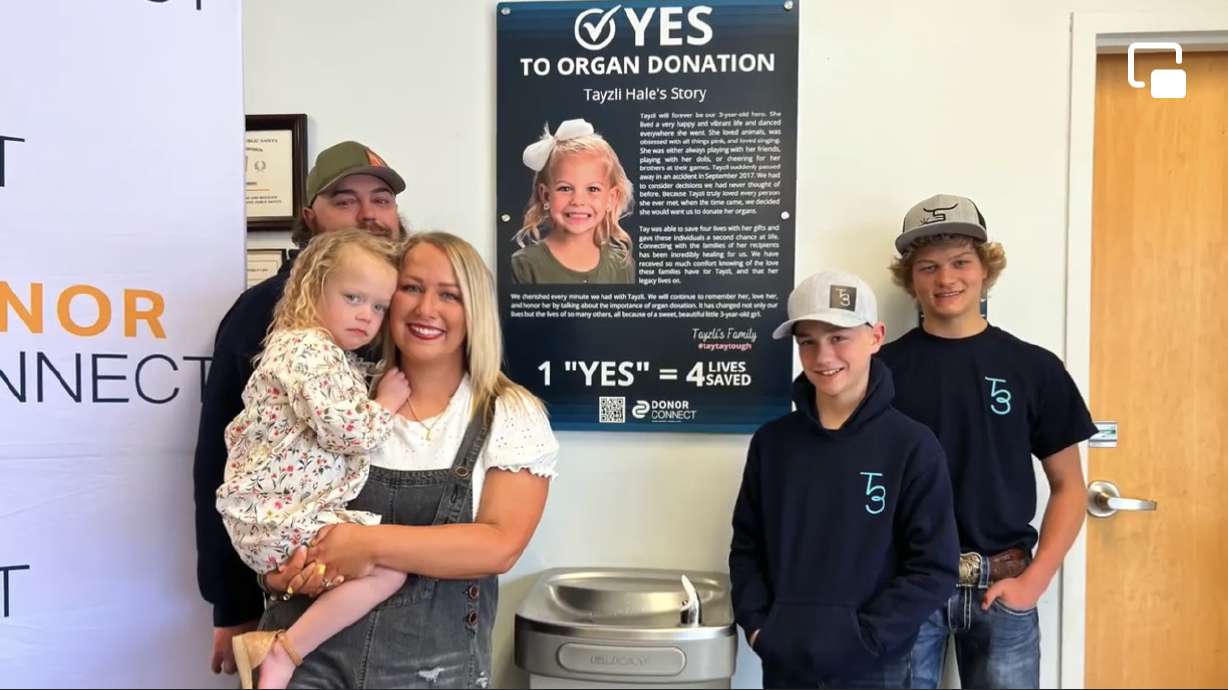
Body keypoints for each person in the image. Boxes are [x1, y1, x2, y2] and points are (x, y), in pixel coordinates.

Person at [257, 232, 559, 688]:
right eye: (412, 288)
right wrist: (284, 575)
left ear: (474, 311)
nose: (426, 310)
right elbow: (275, 502)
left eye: (450, 295)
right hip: (304, 665)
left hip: (434, 674)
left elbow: (499, 546)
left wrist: (365, 544)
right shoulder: (335, 398)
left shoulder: (508, 412)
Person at [193, 140, 409, 677]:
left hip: (420, 623)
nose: (367, 215)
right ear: (310, 218)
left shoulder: (419, 298)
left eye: (380, 200)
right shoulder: (266, 314)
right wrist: (234, 604)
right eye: (345, 200)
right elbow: (217, 458)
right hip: (298, 582)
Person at [879, 194, 1097, 689]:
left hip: (1004, 584)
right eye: (928, 267)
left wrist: (1035, 580)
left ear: (985, 269)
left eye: (960, 262)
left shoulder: (1035, 368)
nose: (945, 279)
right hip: (904, 586)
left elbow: (1069, 486)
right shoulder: (880, 372)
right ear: (910, 278)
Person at [730, 270, 958, 689]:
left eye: (839, 337)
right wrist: (760, 627)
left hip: (882, 664)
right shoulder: (772, 444)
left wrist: (866, 637)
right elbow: (747, 547)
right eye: (808, 342)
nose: (823, 356)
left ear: (876, 337)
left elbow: (932, 567)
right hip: (787, 658)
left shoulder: (912, 446)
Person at [512, 118, 635, 285]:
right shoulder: (524, 265)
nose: (578, 201)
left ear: (611, 198)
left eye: (593, 189)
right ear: (546, 195)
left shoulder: (622, 266)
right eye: (565, 188)